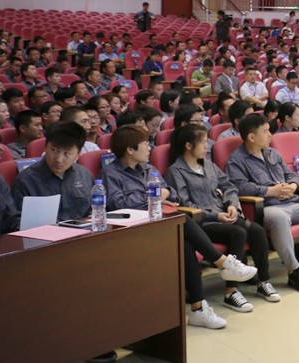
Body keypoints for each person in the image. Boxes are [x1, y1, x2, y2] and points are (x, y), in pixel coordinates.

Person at [101, 125, 257, 329]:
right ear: (130, 149)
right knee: (183, 219)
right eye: (145, 144)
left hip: (160, 224)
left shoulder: (149, 169)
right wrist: (154, 195)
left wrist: (159, 194)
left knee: (185, 244)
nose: (150, 148)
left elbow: (171, 193)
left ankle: (198, 308)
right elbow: (118, 203)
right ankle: (223, 264)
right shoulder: (111, 173)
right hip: (135, 231)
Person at [225, 114, 299, 293]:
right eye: (265, 132)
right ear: (251, 137)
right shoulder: (236, 160)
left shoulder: (272, 152)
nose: (270, 135)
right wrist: (269, 191)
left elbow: (291, 174)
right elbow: (239, 187)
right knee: (280, 219)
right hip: (268, 208)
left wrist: (292, 185)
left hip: (292, 203)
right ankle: (294, 270)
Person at [166, 124, 281, 310]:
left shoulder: (208, 165)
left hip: (224, 215)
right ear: (188, 146)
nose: (207, 146)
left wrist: (231, 205)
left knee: (257, 231)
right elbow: (184, 205)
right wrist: (216, 215)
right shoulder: (176, 171)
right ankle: (231, 292)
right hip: (202, 223)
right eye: (202, 142)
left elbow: (229, 186)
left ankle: (263, 282)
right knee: (237, 233)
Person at [12, 121, 94, 222]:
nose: (58, 159)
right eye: (54, 150)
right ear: (45, 147)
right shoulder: (26, 180)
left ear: (78, 154)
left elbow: (94, 211)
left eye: (67, 153)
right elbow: (15, 222)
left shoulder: (84, 174)